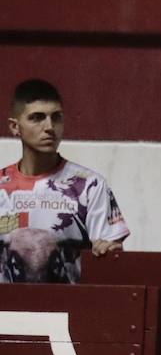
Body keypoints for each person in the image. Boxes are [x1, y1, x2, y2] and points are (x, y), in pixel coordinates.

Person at [1, 80, 129, 283]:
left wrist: (109, 251)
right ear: (15, 127)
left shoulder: (89, 186)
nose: (49, 127)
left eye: (56, 117)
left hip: (69, 310)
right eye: (37, 118)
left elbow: (108, 258)